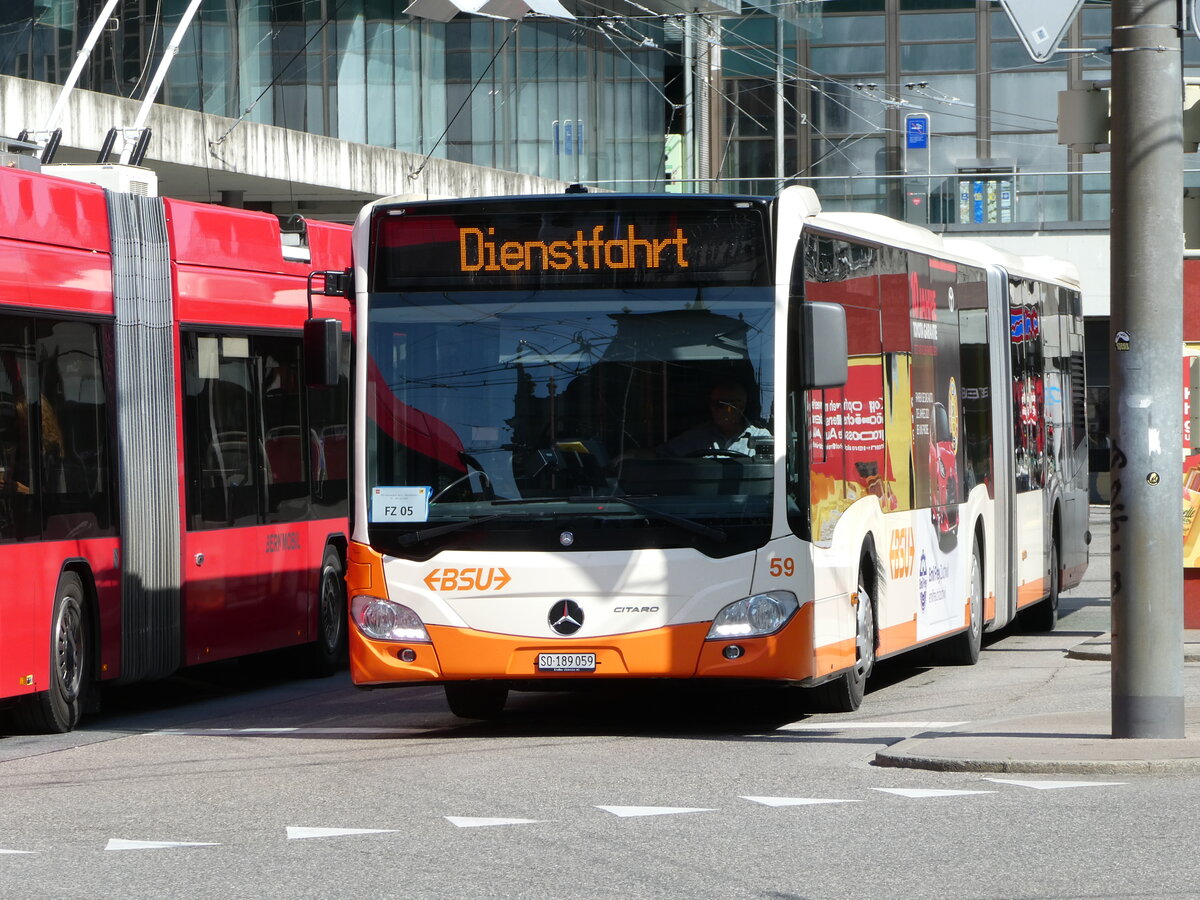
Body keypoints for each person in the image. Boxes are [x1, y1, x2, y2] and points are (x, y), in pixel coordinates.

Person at [657, 382, 771, 458]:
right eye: (712, 404)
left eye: (721, 405)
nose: (714, 409)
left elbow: (777, 472)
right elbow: (661, 455)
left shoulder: (761, 438)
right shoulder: (696, 437)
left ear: (740, 407)